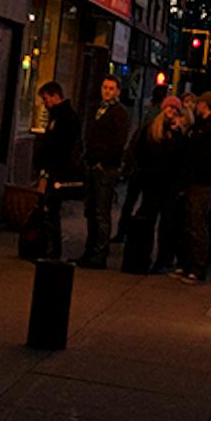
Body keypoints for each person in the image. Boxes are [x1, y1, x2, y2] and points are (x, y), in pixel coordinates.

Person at [120, 95, 186, 274]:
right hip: (151, 183)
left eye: (175, 110)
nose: (170, 112)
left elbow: (180, 160)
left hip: (168, 186)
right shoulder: (151, 129)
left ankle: (163, 259)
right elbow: (139, 152)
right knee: (147, 220)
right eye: (169, 108)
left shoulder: (178, 134)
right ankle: (142, 255)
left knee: (166, 223)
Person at [173, 91, 211, 284]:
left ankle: (197, 267)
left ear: (205, 105)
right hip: (197, 181)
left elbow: (206, 158)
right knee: (190, 223)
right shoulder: (204, 127)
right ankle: (189, 263)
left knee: (197, 224)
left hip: (203, 182)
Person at [78, 74, 130, 268]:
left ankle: (99, 254)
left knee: (101, 212)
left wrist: (104, 162)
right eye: (104, 87)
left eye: (111, 88)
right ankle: (90, 251)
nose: (107, 91)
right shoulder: (97, 109)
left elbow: (119, 143)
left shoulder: (119, 113)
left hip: (105, 168)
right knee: (91, 211)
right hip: (92, 165)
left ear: (117, 91)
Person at [33, 79, 82, 261]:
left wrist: (47, 172)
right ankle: (48, 248)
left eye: (46, 99)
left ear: (55, 97)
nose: (45, 104)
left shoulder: (65, 118)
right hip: (54, 170)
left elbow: (58, 148)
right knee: (49, 212)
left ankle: (51, 250)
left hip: (57, 172)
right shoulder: (59, 116)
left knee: (51, 211)